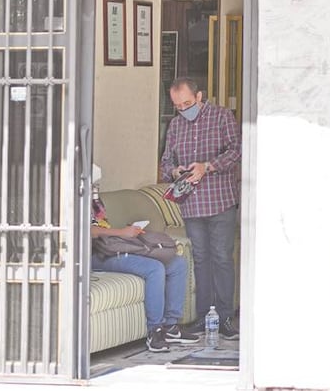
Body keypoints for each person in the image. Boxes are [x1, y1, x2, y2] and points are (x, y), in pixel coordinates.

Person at [159, 76, 241, 340]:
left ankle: (226, 317)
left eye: (187, 103)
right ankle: (203, 316)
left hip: (220, 200)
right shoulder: (175, 126)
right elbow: (165, 162)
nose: (183, 109)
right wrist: (175, 170)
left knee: (221, 258)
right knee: (202, 260)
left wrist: (208, 166)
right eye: (178, 106)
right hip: (192, 203)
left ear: (199, 97)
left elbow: (236, 151)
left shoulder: (221, 116)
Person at [90, 165, 198, 352]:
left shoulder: (94, 200)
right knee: (154, 268)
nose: (94, 186)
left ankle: (171, 327)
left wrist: (128, 233)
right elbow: (87, 231)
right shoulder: (68, 199)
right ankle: (154, 331)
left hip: (111, 246)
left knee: (177, 264)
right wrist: (122, 232)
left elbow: (102, 227)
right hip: (93, 255)